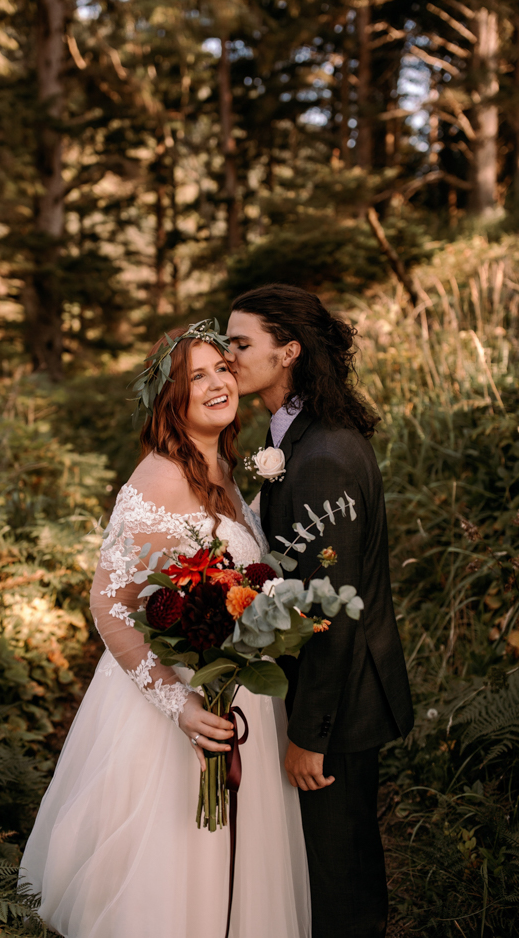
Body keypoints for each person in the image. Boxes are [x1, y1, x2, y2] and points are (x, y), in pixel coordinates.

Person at [19, 320, 310, 938]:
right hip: (176, 711)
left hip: (236, 692)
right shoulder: (158, 478)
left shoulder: (224, 471)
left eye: (221, 369)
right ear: (170, 399)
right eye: (194, 377)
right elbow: (109, 603)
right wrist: (178, 704)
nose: (215, 384)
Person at [227, 284, 414, 938]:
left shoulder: (326, 457)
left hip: (339, 707)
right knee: (327, 872)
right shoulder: (300, 443)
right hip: (326, 700)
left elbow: (333, 609)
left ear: (288, 352)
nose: (228, 355)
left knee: (340, 886)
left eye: (240, 343)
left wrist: (311, 734)